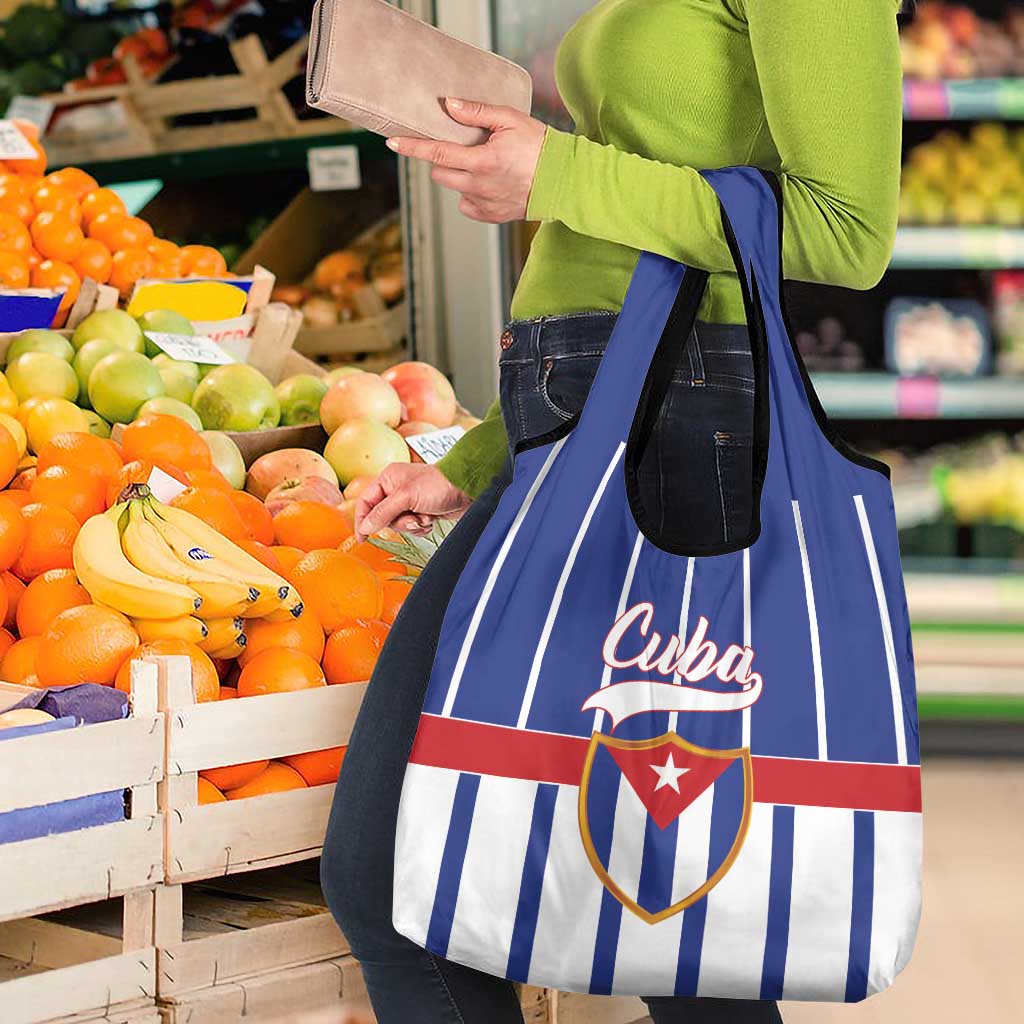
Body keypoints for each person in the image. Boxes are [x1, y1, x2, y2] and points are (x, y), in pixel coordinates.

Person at [321, 2, 904, 1021]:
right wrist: (479, 456)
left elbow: (847, 230)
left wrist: (556, 172)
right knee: (640, 921)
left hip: (679, 435)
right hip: (583, 430)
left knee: (665, 925)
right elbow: (620, 238)